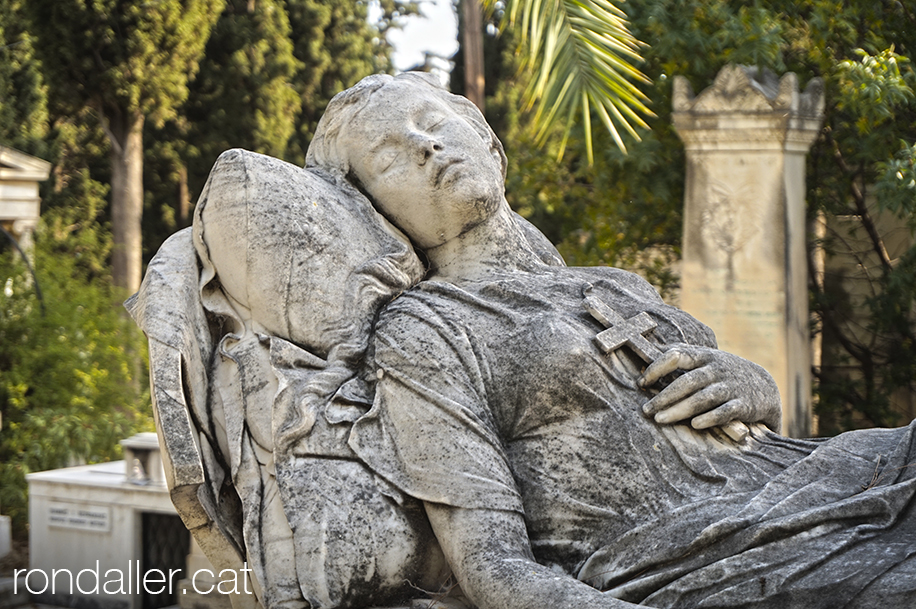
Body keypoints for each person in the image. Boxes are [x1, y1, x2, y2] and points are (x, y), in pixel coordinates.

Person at [300, 72, 916, 609]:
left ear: (486, 138)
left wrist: (756, 386)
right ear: (373, 210)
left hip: (808, 482)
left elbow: (752, 428)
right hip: (695, 557)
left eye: (432, 123)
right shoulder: (424, 329)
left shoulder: (615, 285)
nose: (426, 146)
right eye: (389, 159)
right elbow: (495, 570)